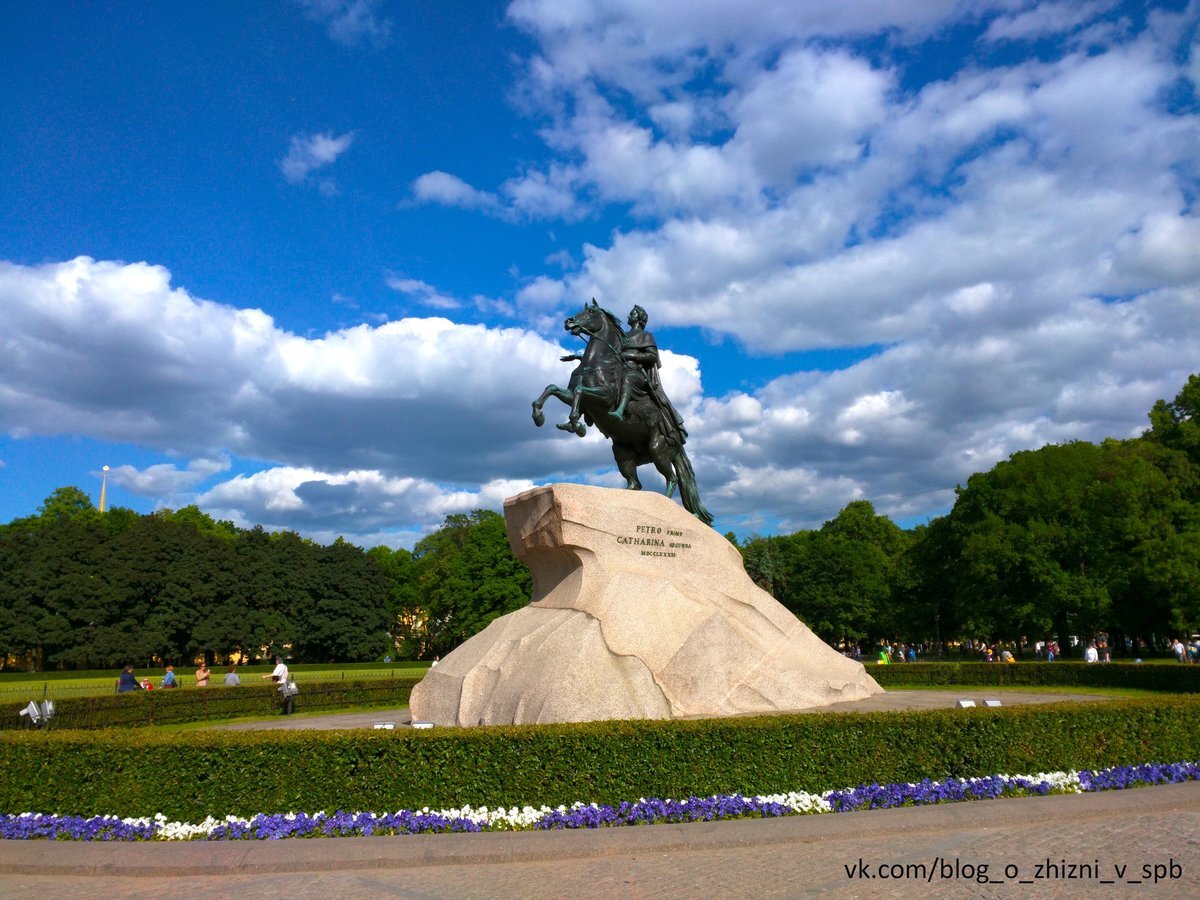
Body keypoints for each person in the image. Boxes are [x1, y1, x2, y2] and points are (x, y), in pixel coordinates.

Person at [610, 305, 687, 440]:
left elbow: (652, 356)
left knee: (628, 378)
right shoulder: (623, 335)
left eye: (632, 314)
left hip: (636, 372)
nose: (628, 316)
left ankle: (620, 410)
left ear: (639, 318)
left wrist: (633, 356)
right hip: (619, 368)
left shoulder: (646, 336)